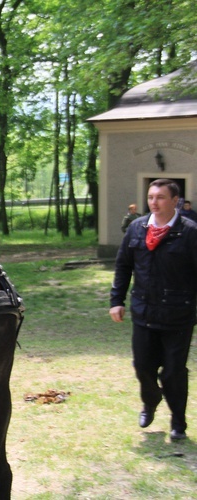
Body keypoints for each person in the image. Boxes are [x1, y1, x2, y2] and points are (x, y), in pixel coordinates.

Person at [109, 178, 197, 441]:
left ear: (174, 201)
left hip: (178, 315)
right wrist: (117, 300)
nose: (154, 202)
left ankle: (178, 422)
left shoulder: (190, 232)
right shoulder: (137, 229)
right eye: (151, 197)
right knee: (143, 367)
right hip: (144, 312)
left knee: (173, 372)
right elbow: (123, 266)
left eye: (160, 197)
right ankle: (151, 400)